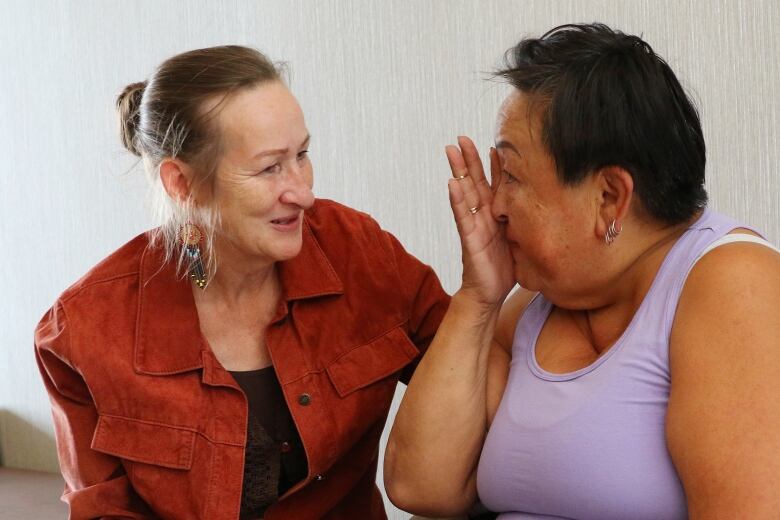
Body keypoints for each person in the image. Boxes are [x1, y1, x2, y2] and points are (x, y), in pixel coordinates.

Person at [34, 45, 449, 520]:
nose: (303, 192)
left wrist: (483, 293)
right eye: (270, 167)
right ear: (182, 184)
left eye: (302, 155)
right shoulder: (83, 331)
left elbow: (473, 375)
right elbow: (103, 509)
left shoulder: (359, 253)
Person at [385, 23, 780, 519]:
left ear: (610, 198)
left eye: (511, 176)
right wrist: (477, 298)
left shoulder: (732, 282)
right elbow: (419, 486)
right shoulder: (531, 304)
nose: (495, 205)